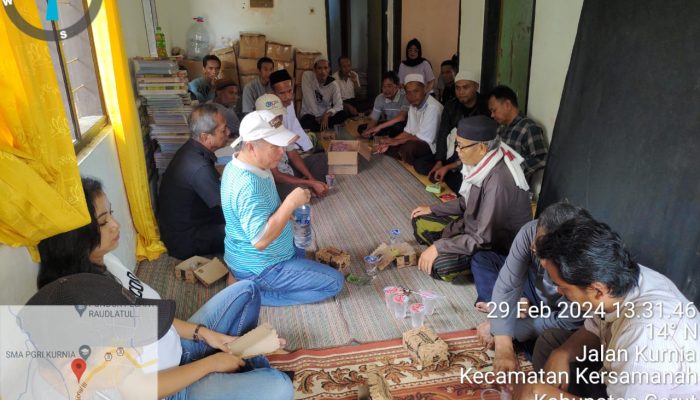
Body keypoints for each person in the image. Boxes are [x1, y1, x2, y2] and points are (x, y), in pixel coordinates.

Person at [35, 177, 294, 400]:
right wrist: (211, 363)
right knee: (280, 387)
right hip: (169, 389)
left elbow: (153, 314)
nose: (116, 224)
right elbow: (140, 390)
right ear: (76, 237)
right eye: (103, 222)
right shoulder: (80, 308)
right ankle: (237, 365)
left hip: (179, 347)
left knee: (247, 290)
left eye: (111, 213)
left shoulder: (106, 262)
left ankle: (238, 360)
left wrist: (204, 334)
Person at [512, 217, 700, 399]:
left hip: (640, 381)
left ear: (597, 290)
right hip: (616, 369)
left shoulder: (646, 339)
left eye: (563, 286)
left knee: (540, 392)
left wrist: (552, 396)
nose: (559, 291)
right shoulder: (614, 280)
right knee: (552, 343)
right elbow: (595, 326)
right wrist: (563, 353)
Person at [221, 110, 344, 306]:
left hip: (262, 254)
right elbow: (260, 241)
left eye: (282, 146)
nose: (282, 152)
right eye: (275, 147)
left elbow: (265, 210)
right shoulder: (247, 185)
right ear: (251, 146)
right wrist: (289, 203)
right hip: (262, 267)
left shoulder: (241, 162)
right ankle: (253, 293)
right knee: (334, 283)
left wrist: (290, 213)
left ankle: (242, 277)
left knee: (302, 240)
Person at [473, 202, 592, 377]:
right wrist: (503, 347)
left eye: (546, 256)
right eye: (536, 250)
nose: (541, 261)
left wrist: (504, 330)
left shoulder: (586, 268)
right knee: (482, 259)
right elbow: (508, 284)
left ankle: (509, 314)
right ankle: (510, 307)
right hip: (535, 291)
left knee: (545, 347)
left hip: (561, 312)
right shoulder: (531, 232)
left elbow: (568, 321)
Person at [410, 116, 531, 282]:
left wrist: (439, 247)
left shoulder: (498, 182)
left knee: (440, 265)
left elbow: (483, 238)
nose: (457, 151)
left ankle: (459, 256)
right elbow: (466, 202)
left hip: (493, 245)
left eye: (460, 146)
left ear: (481, 147)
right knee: (420, 218)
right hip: (472, 225)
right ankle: (446, 243)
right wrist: (432, 209)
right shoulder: (483, 161)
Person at [158, 103, 229, 259]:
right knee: (249, 230)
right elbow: (228, 207)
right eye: (223, 130)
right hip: (186, 240)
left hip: (184, 225)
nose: (228, 133)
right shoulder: (199, 167)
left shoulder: (191, 150)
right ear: (205, 137)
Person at [425, 71, 490, 193]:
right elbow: (443, 133)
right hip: (453, 151)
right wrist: (439, 161)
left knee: (461, 182)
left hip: (473, 156)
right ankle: (446, 171)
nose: (461, 92)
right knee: (422, 164)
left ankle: (450, 173)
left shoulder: (485, 107)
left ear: (476, 87)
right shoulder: (451, 105)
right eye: (458, 88)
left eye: (466, 87)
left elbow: (483, 146)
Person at [255, 94, 329, 200]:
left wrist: (311, 179)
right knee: (299, 194)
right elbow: (276, 176)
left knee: (321, 158)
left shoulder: (279, 126)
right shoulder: (259, 140)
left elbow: (293, 155)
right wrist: (309, 182)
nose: (277, 120)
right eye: (272, 117)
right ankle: (305, 188)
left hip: (288, 171)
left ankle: (307, 185)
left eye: (279, 116)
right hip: (276, 183)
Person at [375, 74, 443, 168]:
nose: (412, 96)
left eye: (416, 91)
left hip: (432, 146)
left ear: (424, 89)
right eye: (408, 92)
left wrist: (397, 141)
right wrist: (391, 141)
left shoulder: (433, 107)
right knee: (388, 145)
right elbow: (408, 131)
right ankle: (403, 155)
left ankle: (406, 157)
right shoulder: (413, 105)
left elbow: (424, 138)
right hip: (415, 139)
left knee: (408, 148)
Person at [488, 85, 548, 181]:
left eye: (494, 110)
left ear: (507, 104)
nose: (492, 115)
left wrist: (513, 170)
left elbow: (541, 159)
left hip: (516, 188)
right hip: (497, 183)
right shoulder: (500, 128)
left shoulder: (529, 127)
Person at [269, 69, 314, 151]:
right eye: (282, 93)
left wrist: (307, 146)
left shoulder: (289, 103)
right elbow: (279, 133)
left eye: (290, 91)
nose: (288, 97)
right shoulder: (269, 111)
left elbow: (294, 124)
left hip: (292, 145)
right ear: (273, 94)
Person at [300, 57, 348, 131]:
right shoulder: (307, 76)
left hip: (326, 115)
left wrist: (327, 115)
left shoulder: (333, 84)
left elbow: (339, 105)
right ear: (314, 70)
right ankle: (325, 126)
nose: (323, 71)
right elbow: (309, 100)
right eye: (319, 68)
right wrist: (318, 117)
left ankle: (320, 127)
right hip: (311, 115)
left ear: (329, 69)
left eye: (326, 68)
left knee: (343, 114)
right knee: (304, 122)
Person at [361, 71, 409, 138]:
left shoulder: (405, 97)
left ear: (397, 86)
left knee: (397, 127)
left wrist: (379, 127)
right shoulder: (379, 98)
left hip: (402, 126)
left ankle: (385, 135)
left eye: (389, 86)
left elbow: (402, 117)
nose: (386, 90)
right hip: (387, 124)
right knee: (361, 128)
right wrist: (368, 130)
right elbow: (374, 120)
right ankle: (382, 135)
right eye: (384, 86)